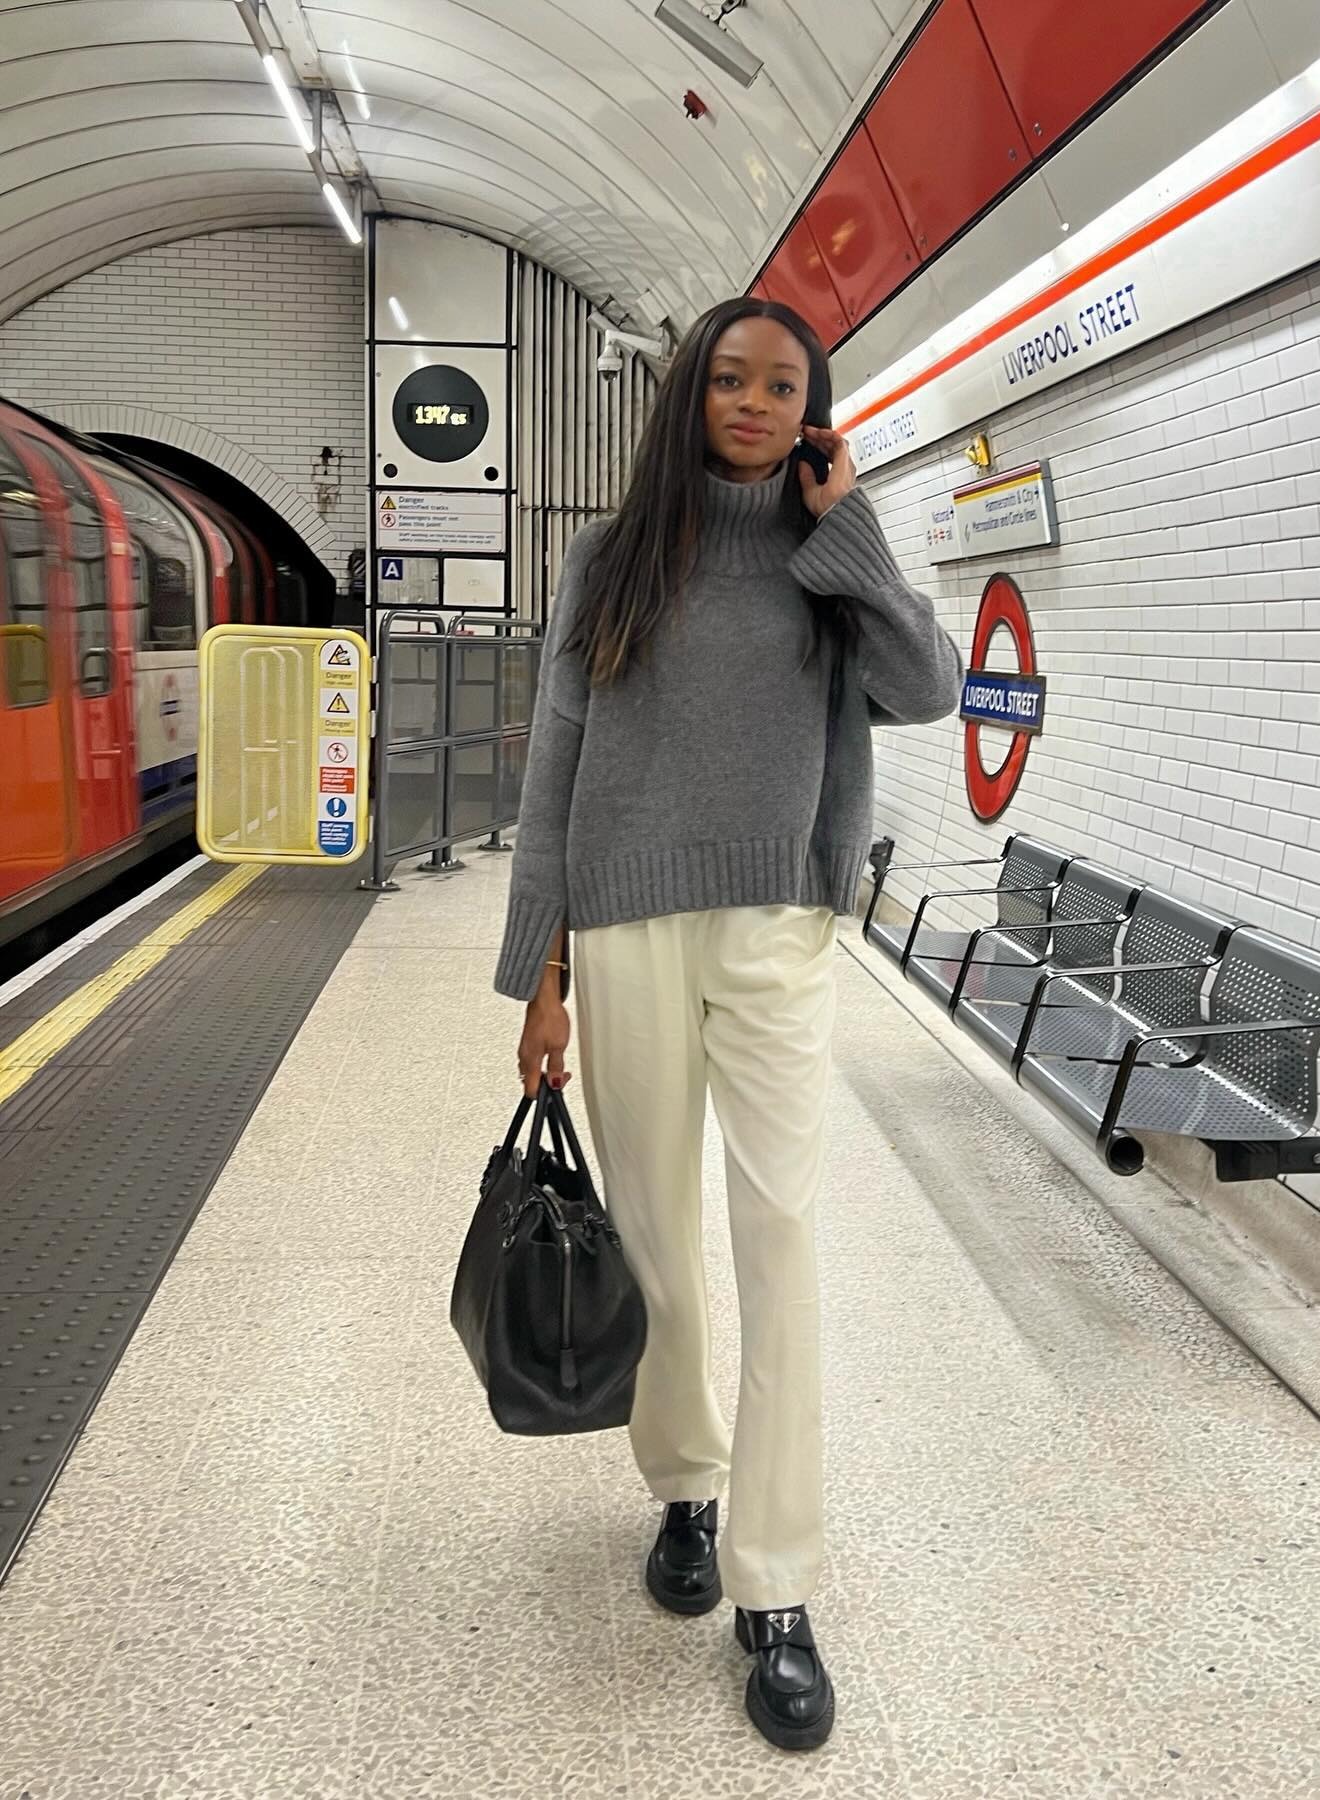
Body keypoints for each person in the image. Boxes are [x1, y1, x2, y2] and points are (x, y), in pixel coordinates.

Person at [494, 296, 962, 1751]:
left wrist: (855, 527)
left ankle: (778, 1579)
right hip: (625, 922)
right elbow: (560, 757)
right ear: (690, 391)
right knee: (650, 1230)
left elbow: (928, 688)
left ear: (811, 406)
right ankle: (684, 1487)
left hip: (777, 929)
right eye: (731, 380)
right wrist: (541, 970)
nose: (754, 403)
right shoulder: (612, 556)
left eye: (783, 385)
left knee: (782, 1236)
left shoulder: (829, 559)